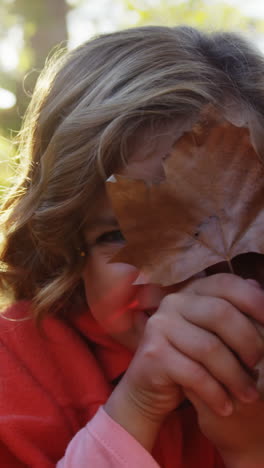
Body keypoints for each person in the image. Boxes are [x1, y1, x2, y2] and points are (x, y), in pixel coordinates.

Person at [0, 25, 264, 468]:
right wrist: (136, 408)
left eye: (214, 224)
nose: (171, 272)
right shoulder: (17, 374)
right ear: (66, 252)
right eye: (119, 235)